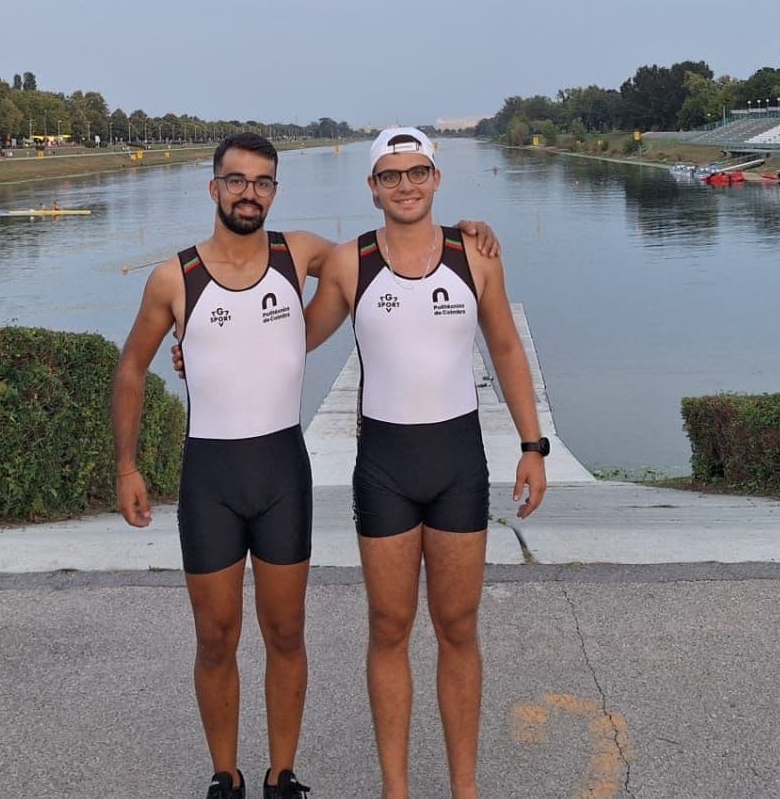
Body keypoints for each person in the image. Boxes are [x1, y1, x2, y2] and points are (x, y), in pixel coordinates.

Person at [111, 132, 499, 799]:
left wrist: (463, 229)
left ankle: (281, 775)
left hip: (281, 473)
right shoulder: (174, 276)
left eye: (262, 182)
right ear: (214, 188)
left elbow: (391, 241)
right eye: (235, 181)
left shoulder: (301, 254)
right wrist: (126, 465)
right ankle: (225, 775)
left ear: (275, 192)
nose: (248, 193)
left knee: (286, 630)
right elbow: (129, 369)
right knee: (215, 636)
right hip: (209, 475)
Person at [302, 127, 547, 798]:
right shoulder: (353, 263)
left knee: (458, 626)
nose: (405, 185)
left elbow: (505, 348)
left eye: (417, 173)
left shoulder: (475, 254)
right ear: (372, 187)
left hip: (457, 463)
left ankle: (464, 787)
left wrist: (532, 445)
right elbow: (295, 337)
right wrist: (203, 339)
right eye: (391, 175)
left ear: (436, 178)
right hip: (384, 465)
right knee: (388, 626)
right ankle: (396, 788)